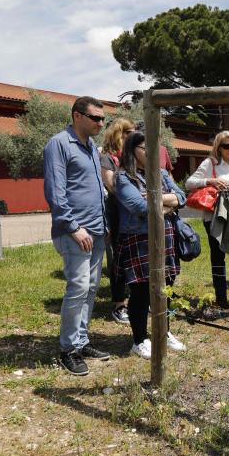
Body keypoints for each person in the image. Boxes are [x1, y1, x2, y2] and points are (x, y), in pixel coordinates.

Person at [44, 96, 109, 376]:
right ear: (77, 116)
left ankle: (81, 341)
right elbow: (56, 192)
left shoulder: (92, 147)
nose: (101, 123)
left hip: (97, 231)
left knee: (91, 288)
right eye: (96, 118)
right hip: (76, 232)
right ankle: (68, 348)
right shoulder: (59, 144)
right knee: (79, 287)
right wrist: (73, 226)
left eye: (103, 118)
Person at [115, 131, 186, 356]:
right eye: (146, 148)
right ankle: (139, 339)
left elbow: (182, 197)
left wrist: (154, 198)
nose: (152, 152)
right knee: (141, 292)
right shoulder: (123, 177)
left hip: (164, 236)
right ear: (132, 151)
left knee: (165, 288)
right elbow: (138, 207)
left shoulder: (162, 173)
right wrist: (167, 203)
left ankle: (163, 332)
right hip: (139, 238)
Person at [186, 131, 229, 307]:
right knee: (218, 258)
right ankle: (221, 300)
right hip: (214, 217)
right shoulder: (210, 163)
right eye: (226, 146)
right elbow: (189, 183)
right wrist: (210, 181)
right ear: (218, 147)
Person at [100, 118, 135, 324]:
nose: (133, 134)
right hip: (117, 213)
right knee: (118, 259)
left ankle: (136, 301)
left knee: (136, 258)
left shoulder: (132, 156)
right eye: (129, 132)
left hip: (134, 213)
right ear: (118, 134)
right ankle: (119, 305)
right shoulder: (107, 158)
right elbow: (112, 185)